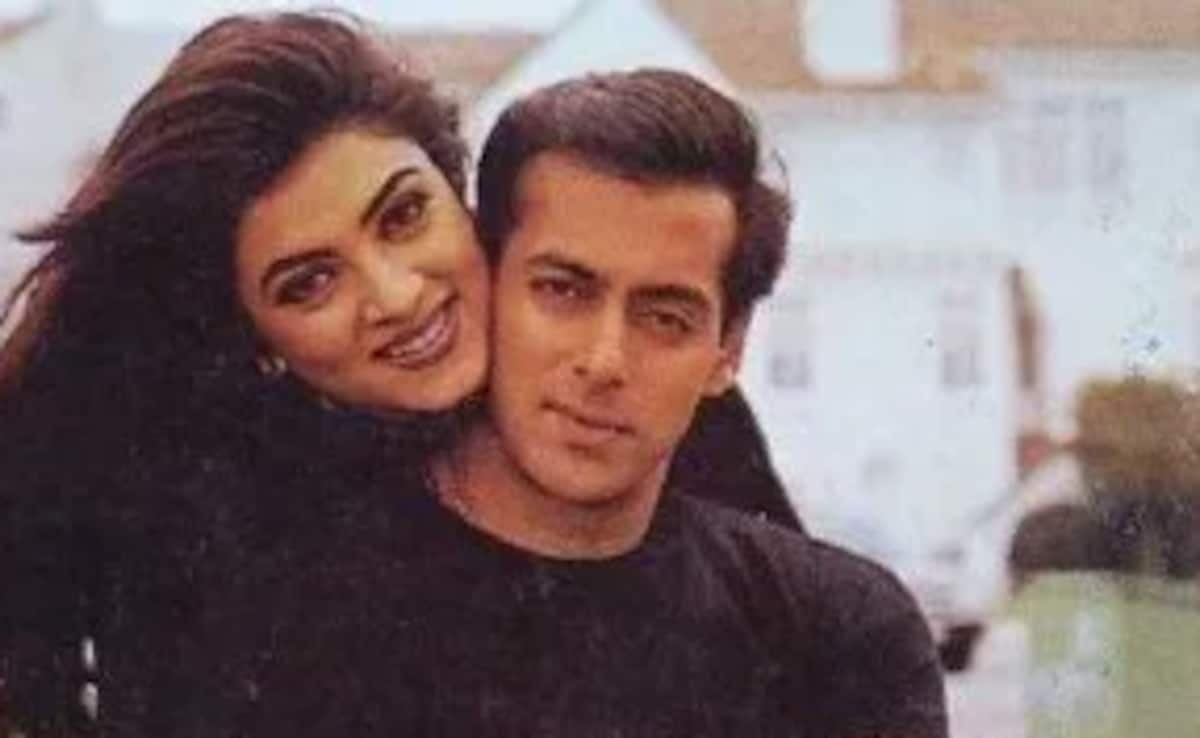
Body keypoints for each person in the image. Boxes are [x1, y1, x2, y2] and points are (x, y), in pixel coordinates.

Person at [0, 11, 797, 736]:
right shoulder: (227, 549)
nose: (397, 295)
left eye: (404, 215)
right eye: (310, 283)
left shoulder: (638, 400)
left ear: (459, 191)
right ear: (259, 341)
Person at [233, 69, 945, 736]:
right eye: (562, 290)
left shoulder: (837, 636)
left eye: (665, 318)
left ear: (727, 351)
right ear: (486, 283)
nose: (604, 361)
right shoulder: (293, 621)